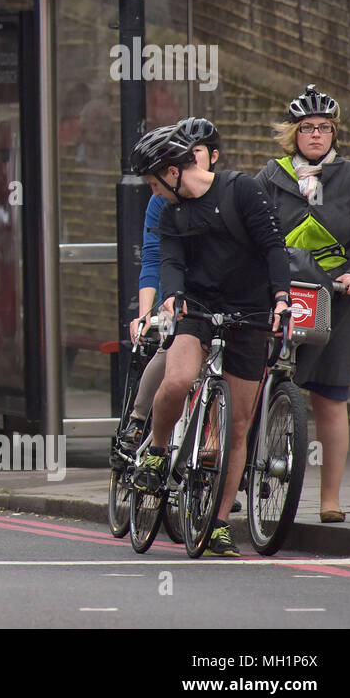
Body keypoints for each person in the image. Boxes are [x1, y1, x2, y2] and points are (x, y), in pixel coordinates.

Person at [128, 121, 290, 557]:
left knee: (237, 427)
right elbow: (170, 261)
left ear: (171, 170)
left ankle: (219, 523)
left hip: (251, 311)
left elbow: (273, 247)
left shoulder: (242, 191)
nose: (152, 190)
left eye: (151, 181)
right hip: (197, 309)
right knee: (177, 380)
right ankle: (158, 451)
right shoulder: (170, 211)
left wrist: (280, 298)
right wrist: (174, 296)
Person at [255, 86, 350, 523]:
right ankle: (238, 480)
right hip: (281, 294)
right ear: (293, 134)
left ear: (334, 133)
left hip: (337, 298)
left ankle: (330, 499)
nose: (317, 135)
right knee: (253, 388)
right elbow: (255, 234)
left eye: (325, 128)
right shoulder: (270, 176)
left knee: (330, 398)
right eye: (307, 128)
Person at [122, 118, 223, 454]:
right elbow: (153, 259)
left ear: (213, 156)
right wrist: (145, 313)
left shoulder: (228, 192)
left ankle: (216, 457)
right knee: (171, 351)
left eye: (197, 151)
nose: (191, 158)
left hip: (222, 292)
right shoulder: (160, 201)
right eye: (186, 152)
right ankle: (138, 421)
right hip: (180, 289)